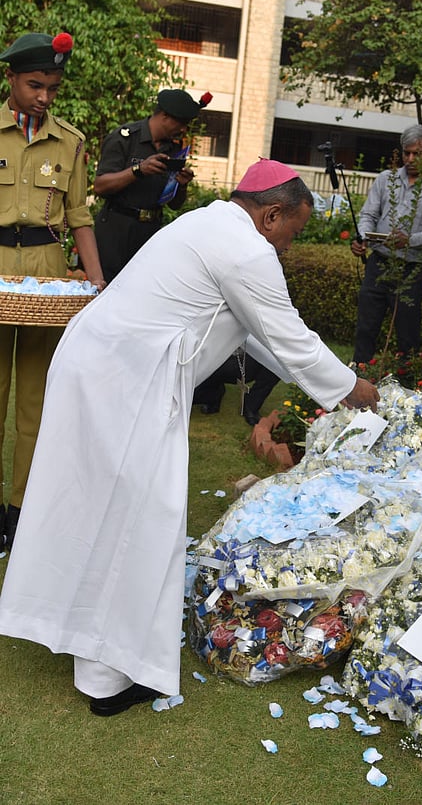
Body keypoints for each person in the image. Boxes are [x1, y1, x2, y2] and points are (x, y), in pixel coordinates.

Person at [0, 158, 379, 716]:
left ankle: (78, 635)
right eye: (293, 235)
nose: (290, 249)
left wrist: (334, 388)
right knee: (139, 520)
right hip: (126, 385)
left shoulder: (207, 222)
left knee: (92, 509)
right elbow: (291, 338)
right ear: (272, 215)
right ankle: (108, 677)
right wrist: (354, 390)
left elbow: (259, 337)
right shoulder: (247, 251)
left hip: (101, 368)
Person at [0, 32, 106, 551]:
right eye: (34, 85)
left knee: (37, 404)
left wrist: (95, 276)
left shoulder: (71, 142)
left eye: (52, 88)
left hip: (47, 272)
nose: (44, 97)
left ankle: (22, 512)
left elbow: (81, 215)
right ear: (11, 79)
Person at [350, 124, 422, 364]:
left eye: (417, 153)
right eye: (406, 153)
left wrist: (410, 241)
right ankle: (358, 374)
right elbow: (369, 214)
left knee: (407, 332)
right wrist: (364, 237)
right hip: (378, 263)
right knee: (366, 326)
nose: (409, 159)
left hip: (411, 269)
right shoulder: (386, 179)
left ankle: (407, 385)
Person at [93, 88, 211, 282]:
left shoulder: (173, 148)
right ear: (164, 116)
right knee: (107, 290)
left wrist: (181, 185)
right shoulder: (125, 138)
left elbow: (174, 204)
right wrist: (138, 170)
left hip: (150, 231)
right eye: (181, 123)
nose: (184, 130)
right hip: (117, 229)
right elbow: (100, 186)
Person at [192, 348, 280, 425]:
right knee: (192, 391)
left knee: (276, 366)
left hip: (246, 356)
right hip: (211, 355)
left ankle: (251, 406)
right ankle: (213, 395)